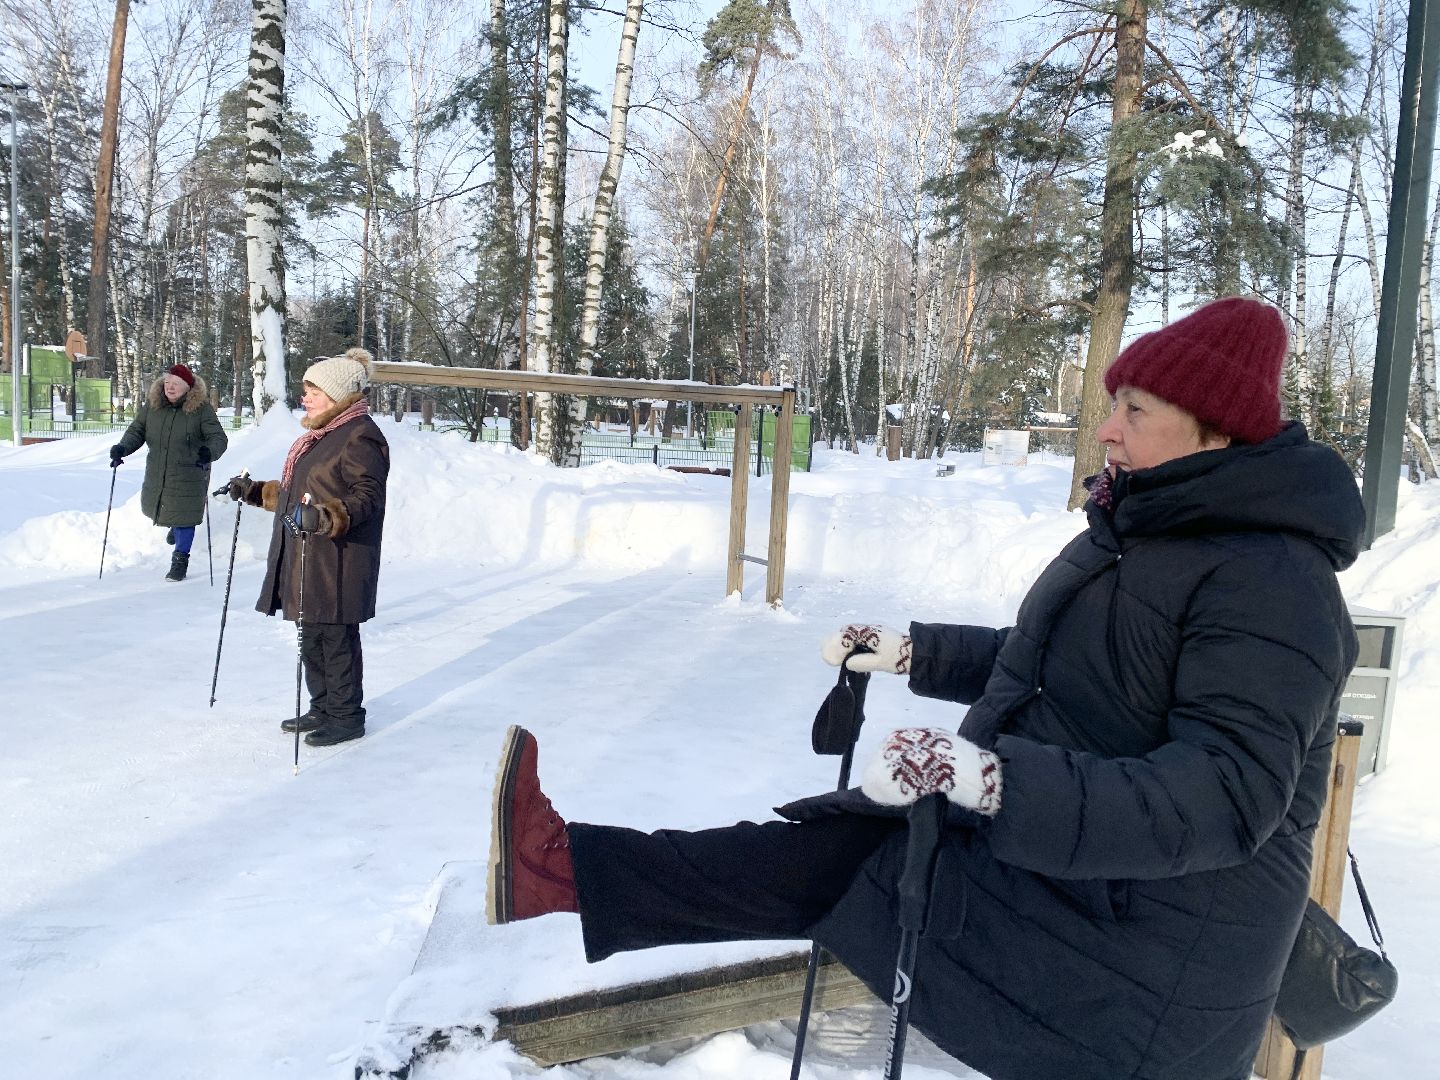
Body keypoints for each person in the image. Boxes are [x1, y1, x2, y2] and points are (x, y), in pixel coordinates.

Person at [485, 297, 1365, 1080]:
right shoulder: (1147, 530)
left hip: (1151, 950)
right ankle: (561, 871)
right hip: (1079, 875)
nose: (1107, 429)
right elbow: (1052, 663)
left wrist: (997, 781)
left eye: (1135, 410)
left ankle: (562, 872)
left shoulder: (1272, 583)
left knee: (849, 861)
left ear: (1215, 433)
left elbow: (1226, 795)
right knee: (837, 852)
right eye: (1114, 405)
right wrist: (913, 654)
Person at [223, 348, 389, 747]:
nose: (306, 398)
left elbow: (367, 497)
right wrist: (254, 491)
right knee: (311, 635)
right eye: (306, 390)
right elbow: (300, 493)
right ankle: (322, 707)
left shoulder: (360, 434)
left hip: (339, 558)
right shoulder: (320, 436)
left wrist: (327, 517)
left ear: (337, 395)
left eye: (314, 392)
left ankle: (346, 717)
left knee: (335, 639)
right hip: (306, 556)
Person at [110, 362, 228, 581]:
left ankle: (180, 561)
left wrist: (208, 452)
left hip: (190, 473)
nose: (170, 387)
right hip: (159, 471)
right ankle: (176, 525)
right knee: (168, 511)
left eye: (176, 383)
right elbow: (137, 431)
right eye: (167, 382)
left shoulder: (201, 409)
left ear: (188, 387)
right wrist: (122, 448)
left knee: (185, 517)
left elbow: (218, 438)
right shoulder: (153, 406)